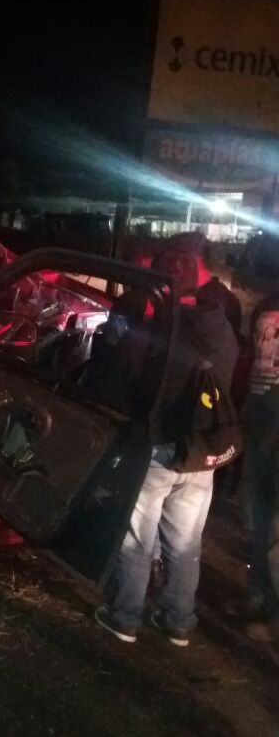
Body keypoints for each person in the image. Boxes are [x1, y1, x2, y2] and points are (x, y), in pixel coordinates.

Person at [96, 249, 238, 647]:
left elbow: (124, 376)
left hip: (158, 450)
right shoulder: (220, 328)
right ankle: (178, 621)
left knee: (139, 540)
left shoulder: (162, 327)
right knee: (186, 544)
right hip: (202, 453)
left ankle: (125, 617)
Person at [234, 291, 279, 642]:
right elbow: (255, 362)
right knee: (259, 516)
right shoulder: (267, 304)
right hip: (261, 418)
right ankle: (258, 596)